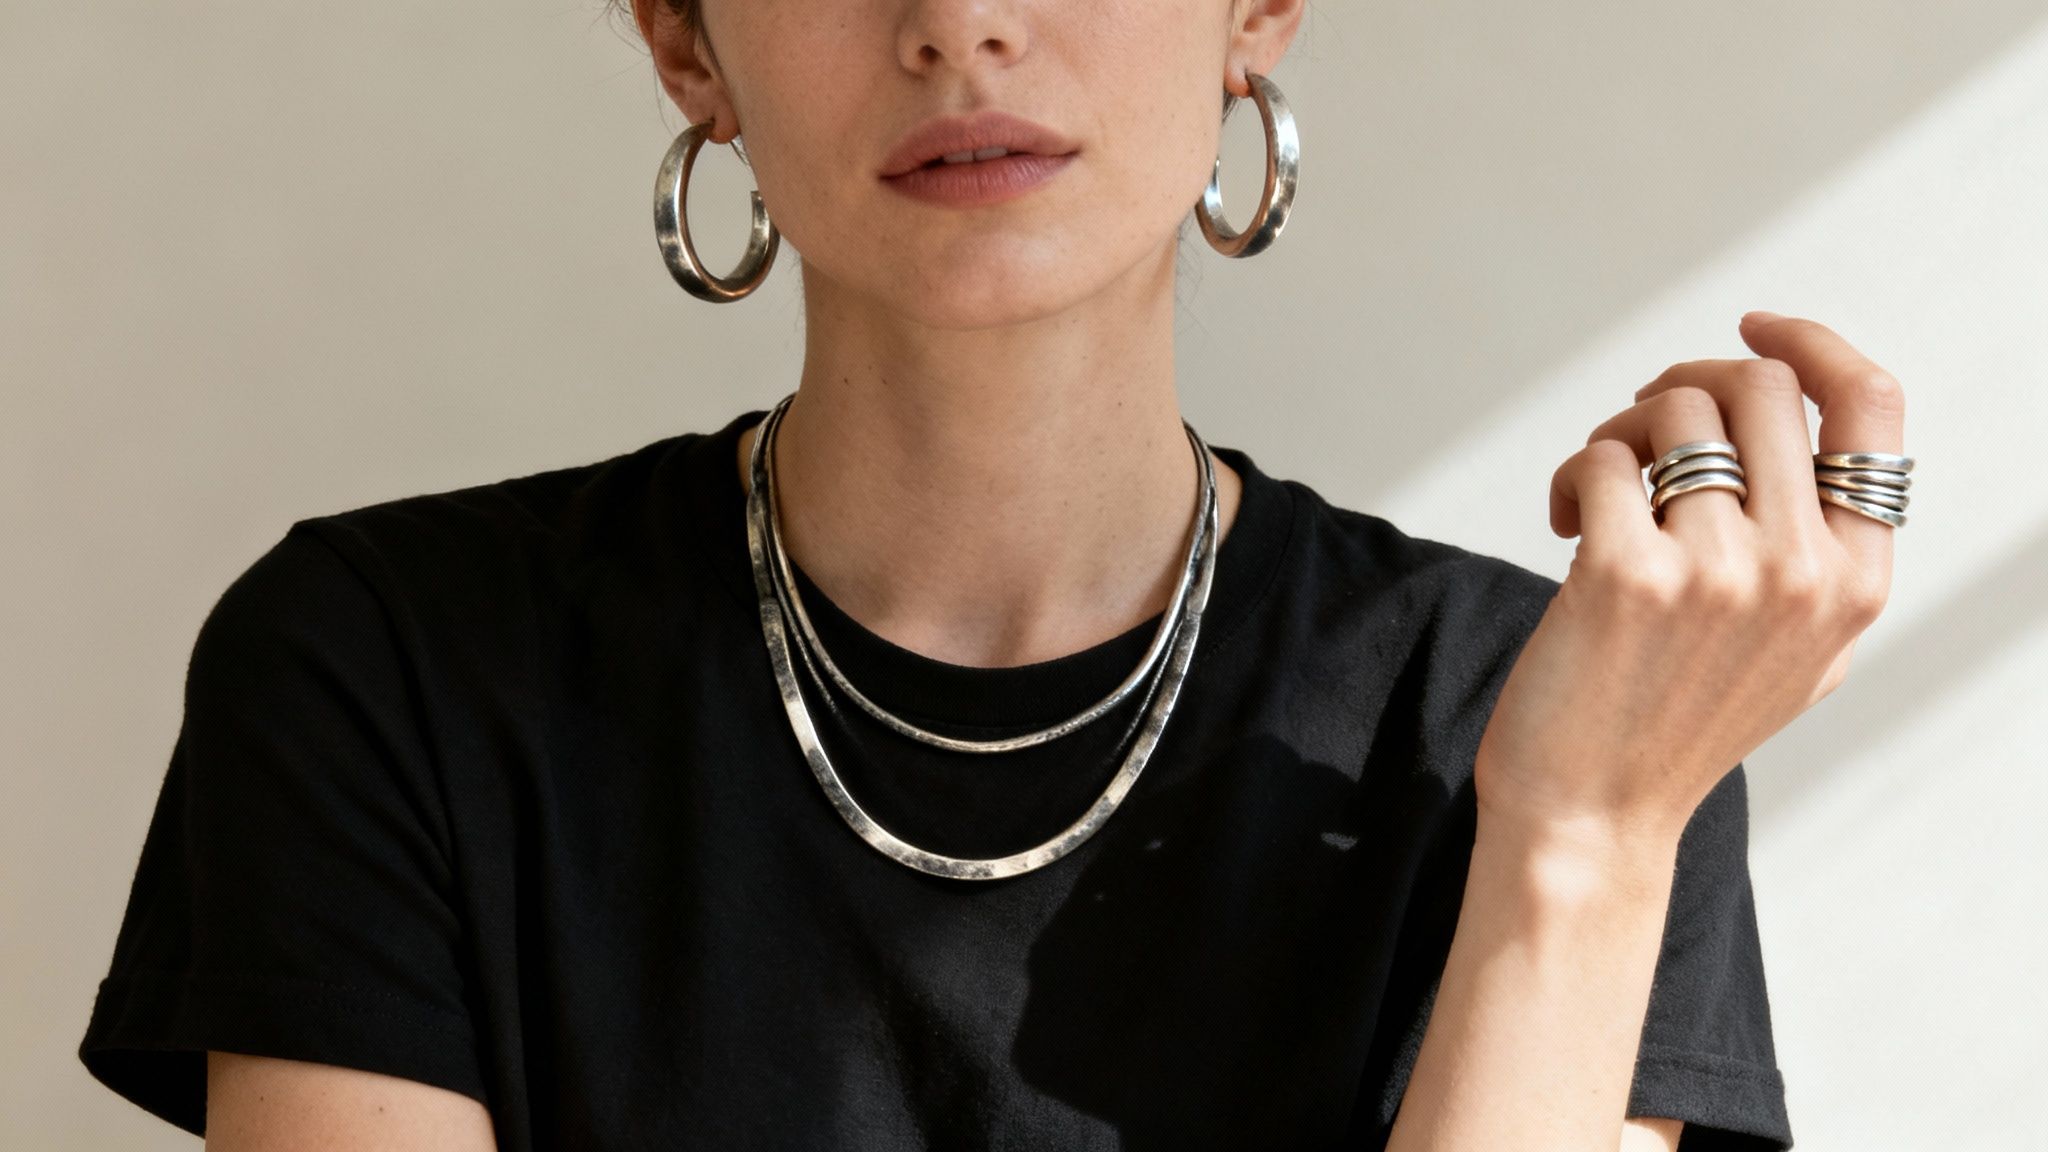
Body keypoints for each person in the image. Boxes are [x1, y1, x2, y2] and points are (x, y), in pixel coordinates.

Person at [78, 0, 1913, 1147]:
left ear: (1258, 4)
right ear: (683, 39)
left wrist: (1583, 848)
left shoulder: (1564, 720)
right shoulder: (382, 673)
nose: (959, 21)